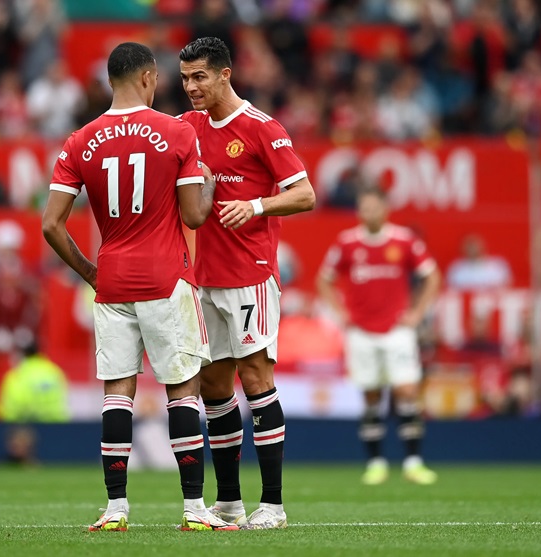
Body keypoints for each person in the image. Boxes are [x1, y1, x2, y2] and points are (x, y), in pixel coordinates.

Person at [42, 42, 236, 532]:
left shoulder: (79, 140)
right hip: (166, 278)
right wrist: (211, 186)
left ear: (111, 80)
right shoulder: (174, 132)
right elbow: (193, 214)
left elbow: (51, 225)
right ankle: (194, 509)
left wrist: (89, 270)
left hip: (112, 282)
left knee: (117, 393)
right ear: (150, 78)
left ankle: (115, 508)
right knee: (182, 390)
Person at [177, 36, 316, 529]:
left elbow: (305, 195)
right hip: (204, 278)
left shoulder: (261, 128)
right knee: (214, 386)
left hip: (250, 276)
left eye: (200, 77)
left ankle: (274, 506)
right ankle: (230, 502)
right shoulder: (187, 127)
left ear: (225, 75)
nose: (191, 87)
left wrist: (256, 205)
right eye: (186, 78)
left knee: (255, 378)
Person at [317, 187, 441, 486]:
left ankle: (413, 462)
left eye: (373, 207)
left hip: (397, 330)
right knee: (371, 396)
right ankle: (376, 464)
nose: (368, 213)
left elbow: (432, 275)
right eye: (363, 208)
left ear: (385, 209)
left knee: (407, 393)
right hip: (361, 331)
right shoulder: (347, 243)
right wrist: (340, 313)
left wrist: (417, 312)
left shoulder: (404, 240)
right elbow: (324, 279)